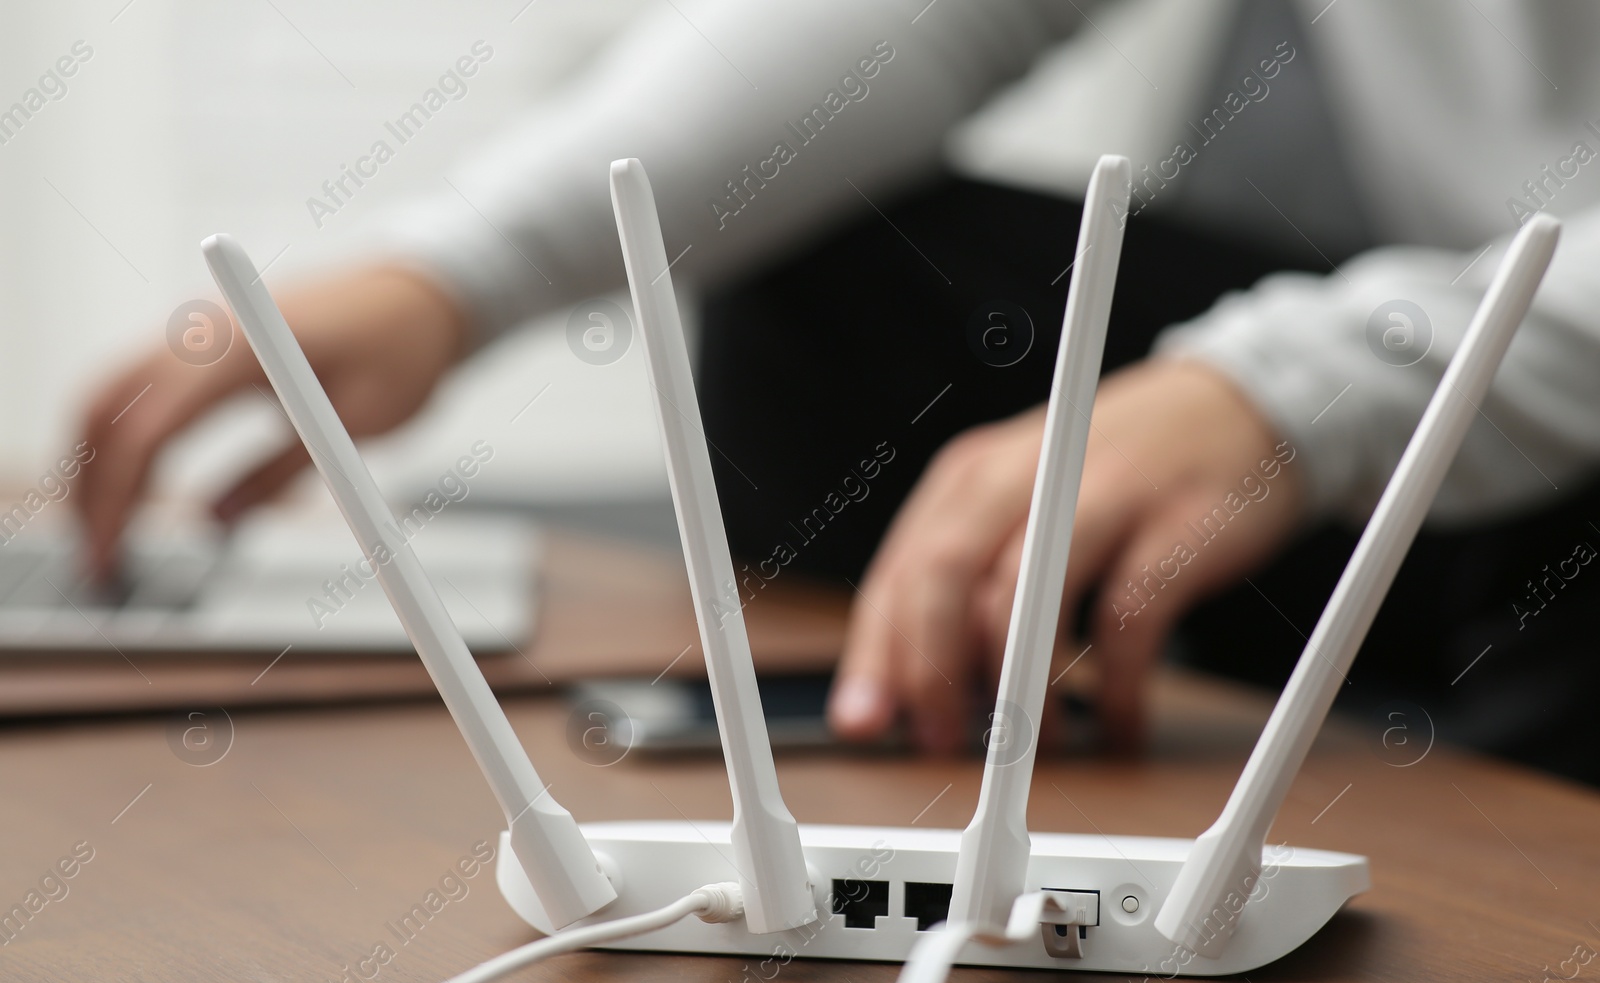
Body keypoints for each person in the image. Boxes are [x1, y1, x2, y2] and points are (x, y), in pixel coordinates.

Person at [74, 0, 1600, 779]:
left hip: (1544, 421)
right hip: (1438, 334)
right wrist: (459, 271)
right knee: (826, 274)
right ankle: (930, 779)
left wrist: (1296, 392)